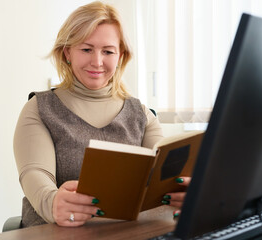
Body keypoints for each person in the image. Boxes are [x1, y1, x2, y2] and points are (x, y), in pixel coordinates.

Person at [14, 1, 190, 228]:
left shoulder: (142, 115)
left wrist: (183, 190)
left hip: (131, 232)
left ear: (120, 57)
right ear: (68, 52)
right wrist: (52, 202)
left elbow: (164, 176)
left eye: (108, 51)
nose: (97, 61)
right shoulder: (39, 108)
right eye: (86, 49)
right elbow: (34, 174)